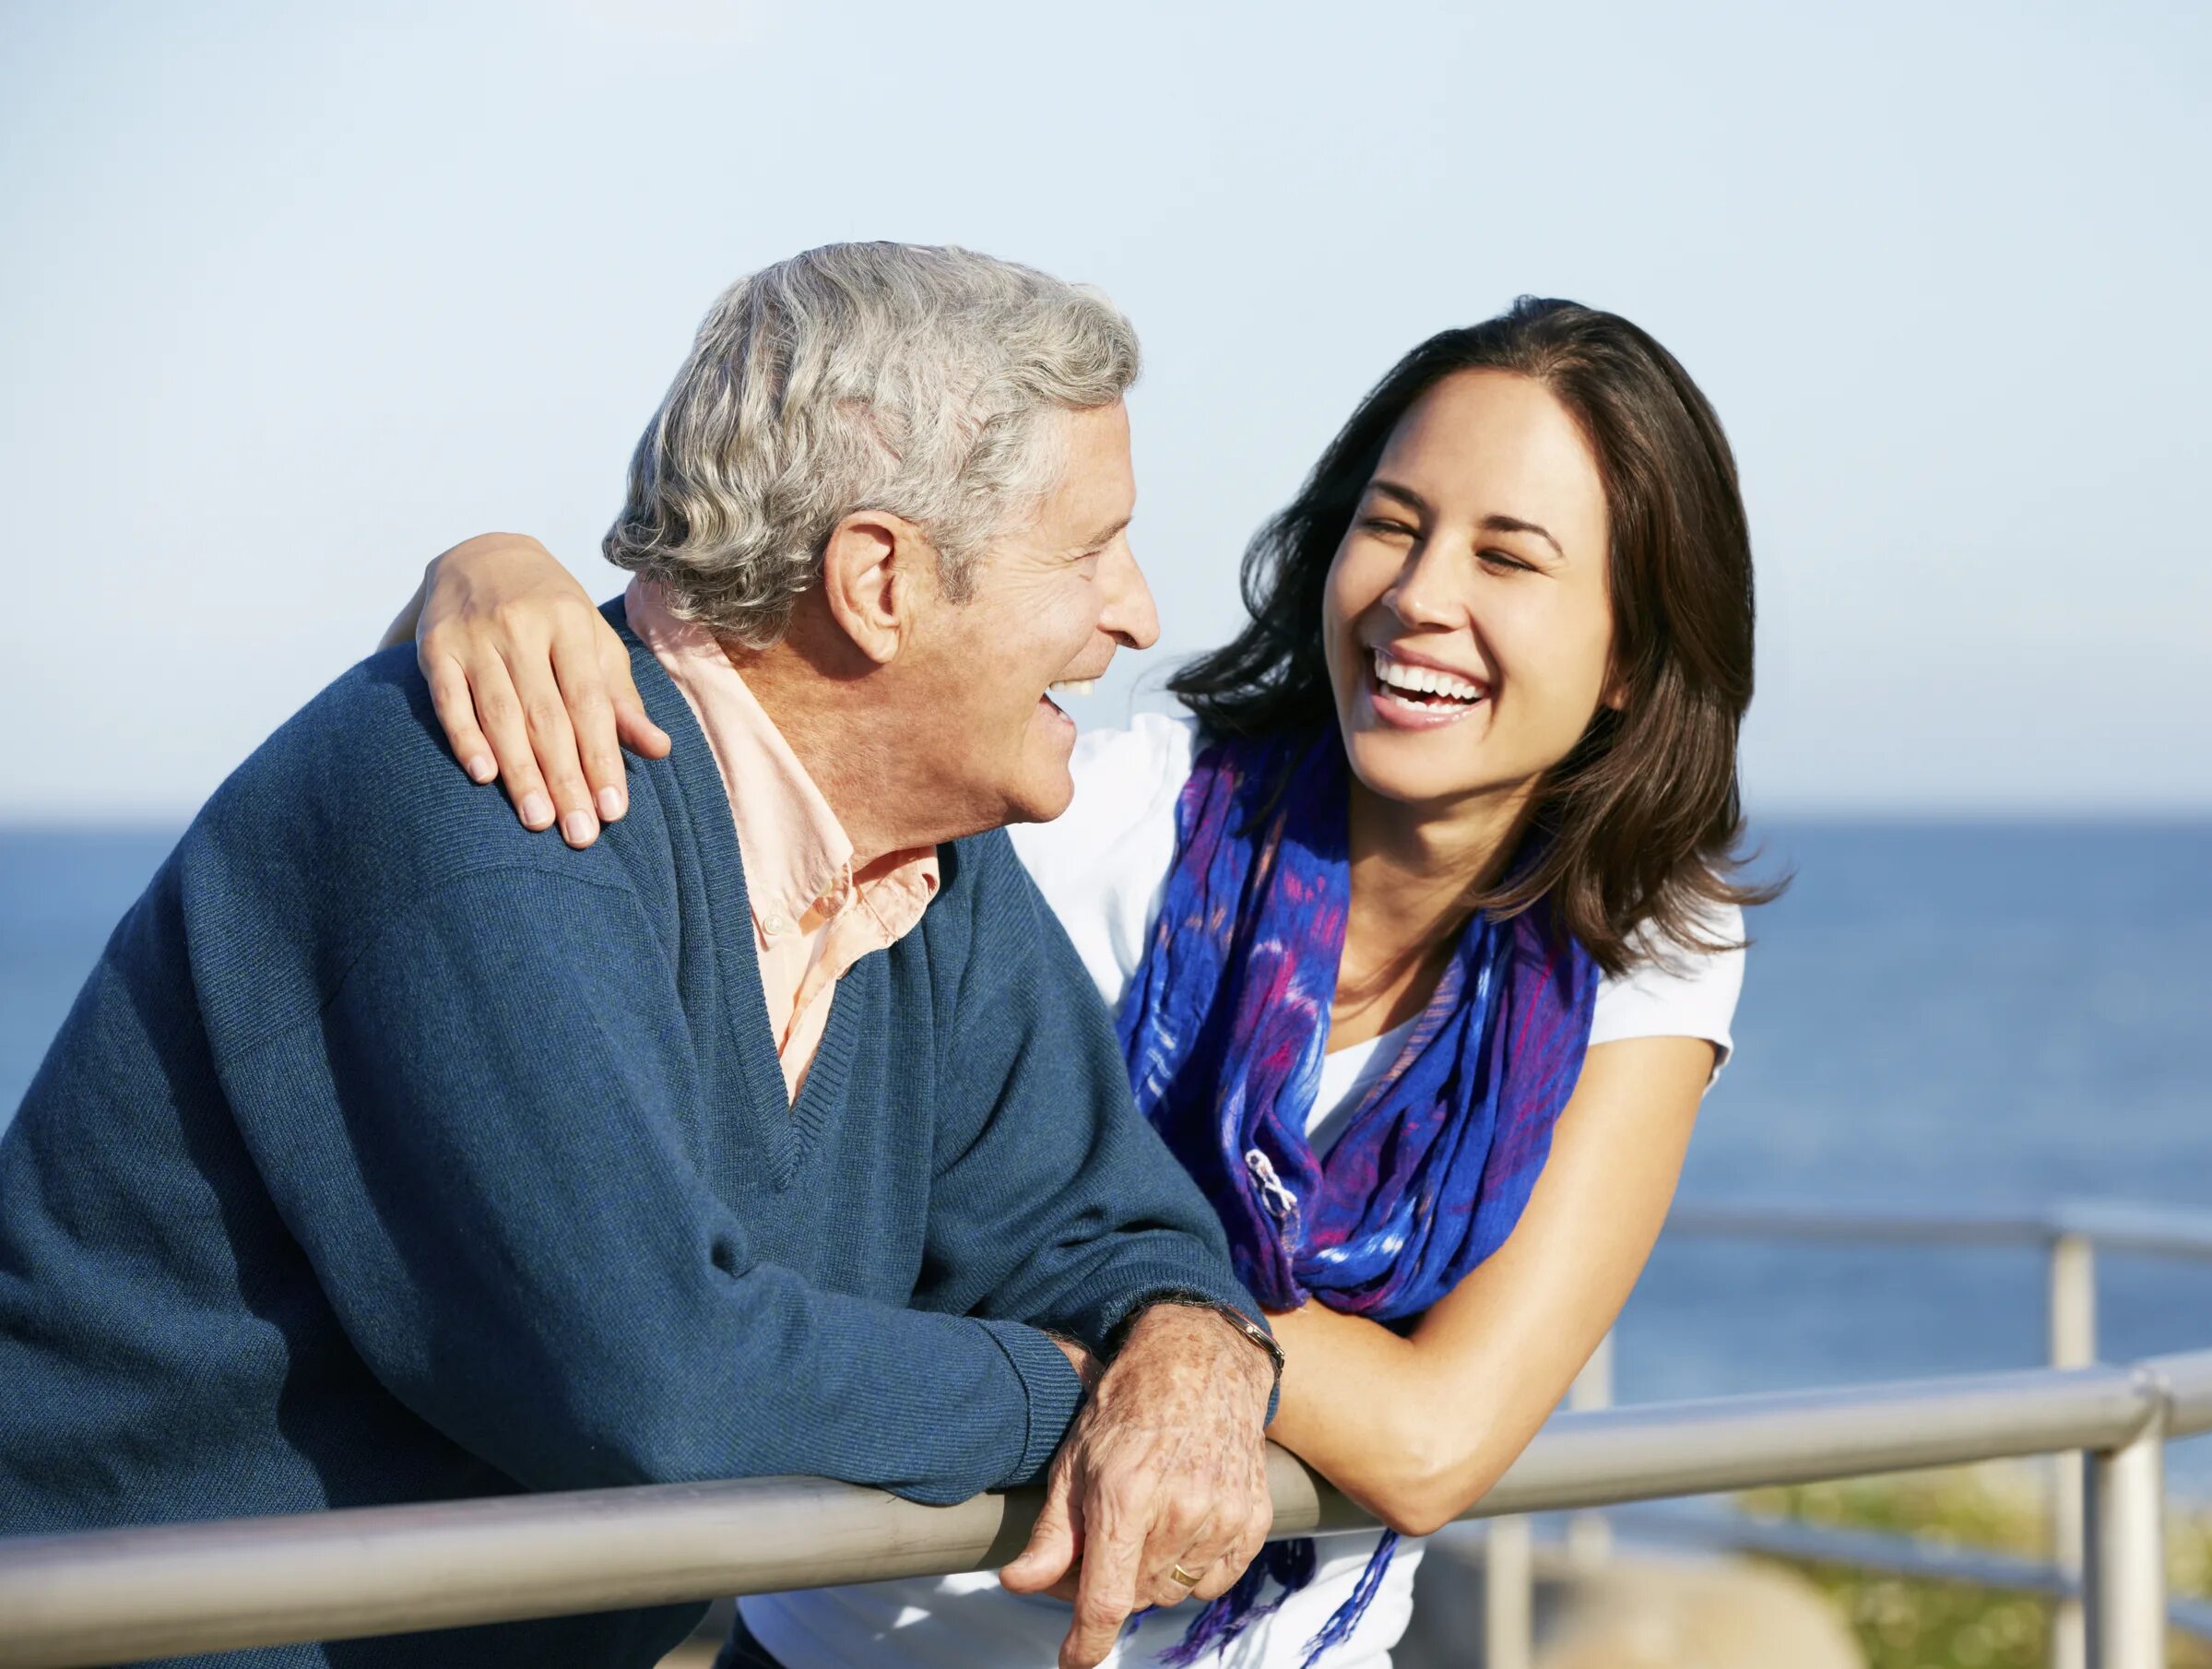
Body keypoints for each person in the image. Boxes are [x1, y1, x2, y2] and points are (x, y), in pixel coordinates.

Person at [408, 296, 1774, 1669]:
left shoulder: (1651, 946)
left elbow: (1435, 1441)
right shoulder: (1103, 819)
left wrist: (1148, 1315)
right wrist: (492, 570)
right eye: (1394, 523)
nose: (1422, 595)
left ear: (1631, 660)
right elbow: (746, 772)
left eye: (1510, 557)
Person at [0, 243, 1284, 1669]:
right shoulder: (496, 797)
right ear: (879, 579)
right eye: (1092, 547)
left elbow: (1111, 1224)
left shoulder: (936, 873)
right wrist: (1062, 1391)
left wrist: (1182, 1349)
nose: (1141, 612)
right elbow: (659, 1385)